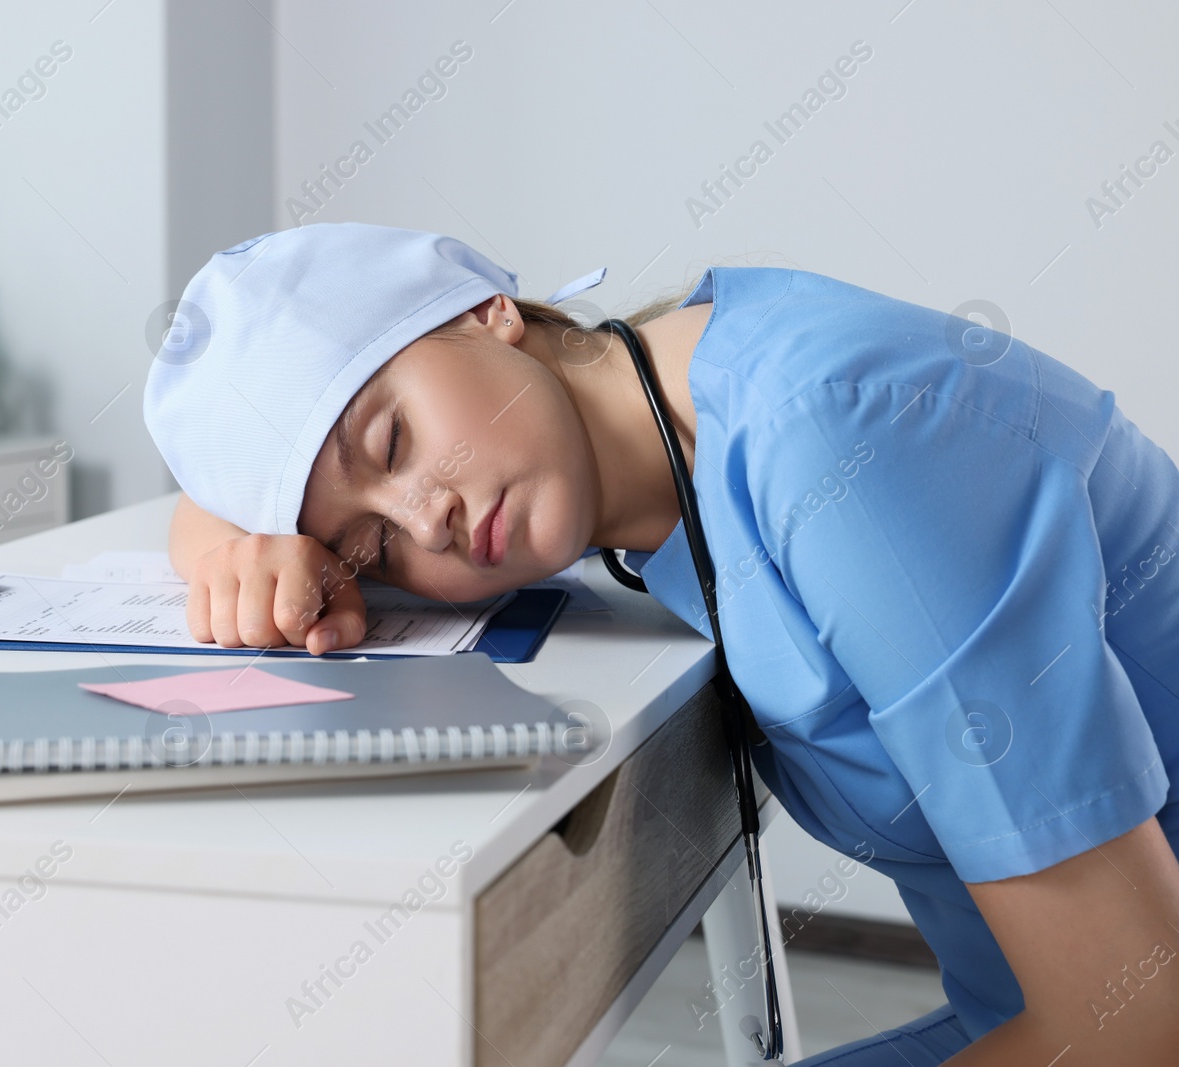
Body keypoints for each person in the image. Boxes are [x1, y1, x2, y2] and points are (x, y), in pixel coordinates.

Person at [143, 221, 1179, 1065]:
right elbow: (204, 499)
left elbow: (1138, 1015)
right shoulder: (630, 435)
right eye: (372, 545)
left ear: (485, 312)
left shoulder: (837, 443)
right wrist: (240, 547)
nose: (426, 519)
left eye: (391, 438)